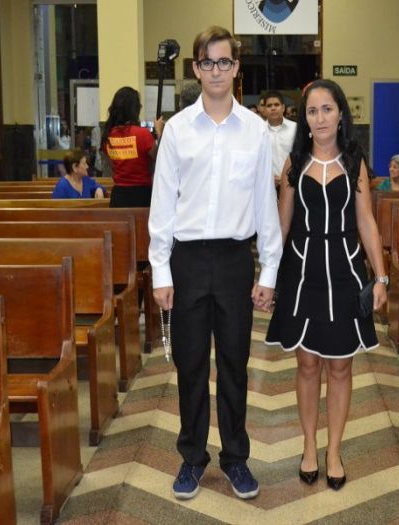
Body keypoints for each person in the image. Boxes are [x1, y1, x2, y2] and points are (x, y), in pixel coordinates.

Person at [148, 26, 282, 501]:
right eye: (208, 62)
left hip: (233, 260)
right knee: (189, 365)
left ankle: (235, 458)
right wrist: (160, 271)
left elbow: (265, 206)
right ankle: (191, 457)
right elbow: (162, 205)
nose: (217, 71)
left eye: (225, 62)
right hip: (186, 260)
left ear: (236, 68)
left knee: (234, 364)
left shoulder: (255, 131)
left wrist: (269, 272)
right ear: (196, 69)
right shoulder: (178, 130)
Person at [264, 79, 388, 490]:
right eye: (312, 111)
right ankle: (309, 446)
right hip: (302, 274)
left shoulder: (354, 162)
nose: (320, 118)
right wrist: (267, 277)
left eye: (327, 109)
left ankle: (334, 451)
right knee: (307, 364)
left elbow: (366, 221)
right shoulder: (294, 163)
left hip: (345, 271)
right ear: (305, 118)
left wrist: (381, 276)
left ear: (340, 114)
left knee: (340, 366)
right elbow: (282, 224)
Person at [102, 86, 164, 207]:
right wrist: (159, 133)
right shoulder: (142, 134)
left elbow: (112, 165)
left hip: (118, 196)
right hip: (142, 195)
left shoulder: (108, 136)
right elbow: (160, 158)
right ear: (134, 109)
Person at [264, 90, 297, 188]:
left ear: (283, 108)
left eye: (276, 105)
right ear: (264, 110)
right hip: (268, 186)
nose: (273, 108)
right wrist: (267, 177)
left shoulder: (295, 128)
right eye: (269, 106)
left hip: (293, 184)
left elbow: (301, 156)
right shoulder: (259, 132)